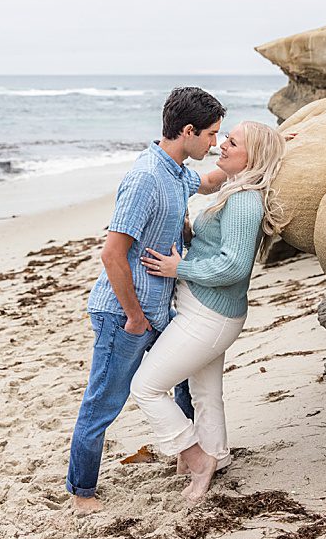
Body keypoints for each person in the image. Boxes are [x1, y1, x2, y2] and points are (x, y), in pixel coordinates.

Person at [66, 87, 230, 513]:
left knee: (184, 379)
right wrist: (135, 318)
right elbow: (112, 254)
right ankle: (82, 493)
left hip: (159, 310)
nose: (214, 144)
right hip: (124, 314)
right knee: (103, 403)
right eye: (211, 134)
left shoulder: (176, 172)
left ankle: (189, 458)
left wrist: (268, 148)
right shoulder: (146, 179)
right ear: (188, 130)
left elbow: (211, 181)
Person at [130, 121, 289, 505]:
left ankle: (198, 460)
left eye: (233, 142)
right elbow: (217, 246)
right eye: (225, 138)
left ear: (253, 157)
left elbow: (233, 266)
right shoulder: (235, 189)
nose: (222, 145)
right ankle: (217, 455)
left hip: (208, 317)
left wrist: (178, 268)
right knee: (205, 393)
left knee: (146, 388)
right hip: (207, 312)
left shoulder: (245, 201)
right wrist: (188, 235)